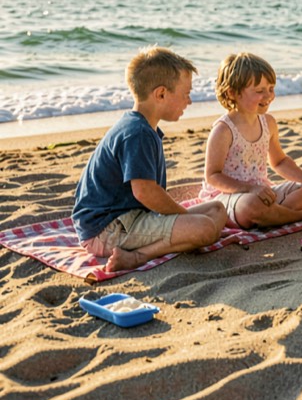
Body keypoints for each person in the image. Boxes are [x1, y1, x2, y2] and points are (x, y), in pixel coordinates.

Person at [72, 47, 226, 273]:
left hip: (128, 218)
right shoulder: (137, 133)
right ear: (161, 94)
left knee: (217, 210)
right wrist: (183, 218)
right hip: (107, 228)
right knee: (204, 228)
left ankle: (155, 242)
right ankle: (137, 257)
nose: (189, 101)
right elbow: (145, 192)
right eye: (186, 93)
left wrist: (180, 219)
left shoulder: (142, 127)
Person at [197, 53, 302, 229]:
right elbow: (212, 176)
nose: (268, 96)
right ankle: (300, 215)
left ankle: (274, 216)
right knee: (251, 206)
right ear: (232, 93)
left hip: (261, 191)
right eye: (259, 91)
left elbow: (279, 162)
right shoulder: (223, 130)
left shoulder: (268, 123)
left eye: (271, 89)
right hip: (230, 196)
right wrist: (249, 189)